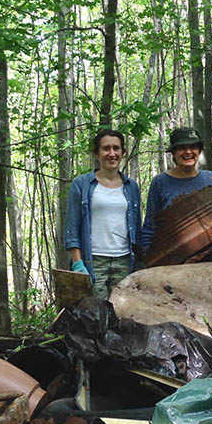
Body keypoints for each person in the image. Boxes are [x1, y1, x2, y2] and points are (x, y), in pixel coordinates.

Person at [64, 128, 142, 299]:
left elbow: (137, 227)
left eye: (116, 148)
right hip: (93, 260)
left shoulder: (131, 187)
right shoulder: (82, 184)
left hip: (125, 260)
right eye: (106, 148)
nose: (112, 153)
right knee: (96, 314)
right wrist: (78, 263)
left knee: (122, 313)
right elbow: (72, 227)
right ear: (97, 153)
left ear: (123, 152)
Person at [137, 127, 212, 254]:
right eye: (182, 148)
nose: (188, 152)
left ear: (199, 150)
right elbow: (151, 225)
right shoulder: (160, 182)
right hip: (173, 257)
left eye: (193, 147)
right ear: (174, 152)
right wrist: (147, 255)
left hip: (210, 255)